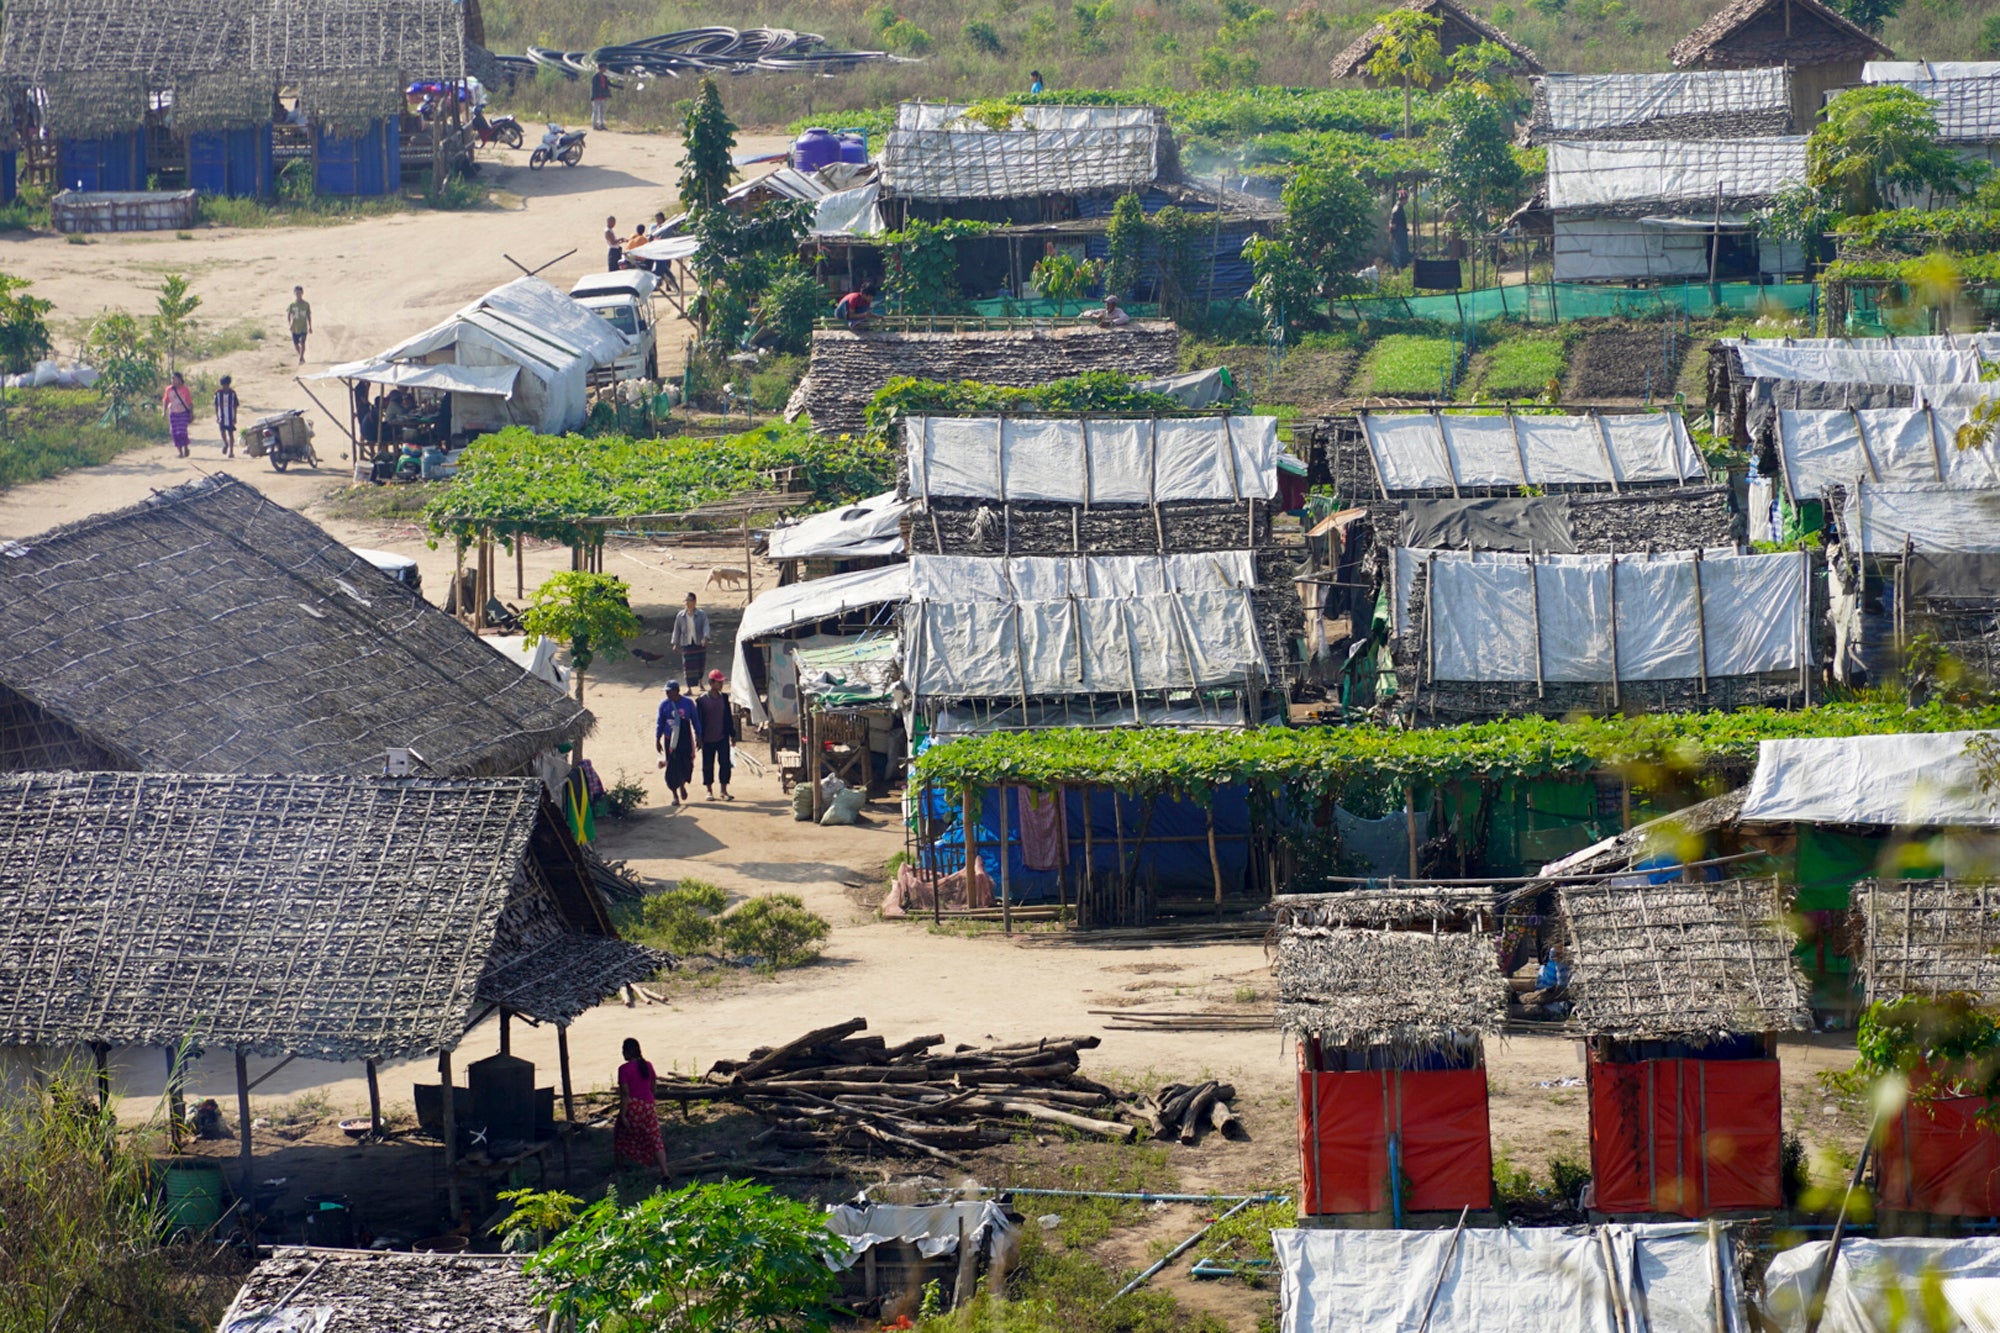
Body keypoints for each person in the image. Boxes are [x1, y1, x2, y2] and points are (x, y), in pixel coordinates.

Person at [614, 1038, 670, 1181]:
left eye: (623, 1051)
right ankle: (665, 1171)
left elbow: (625, 1094)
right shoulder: (648, 1065)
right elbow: (653, 1087)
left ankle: (620, 1169)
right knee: (655, 1138)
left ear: (627, 1052)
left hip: (633, 1106)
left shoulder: (623, 1069)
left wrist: (623, 1115)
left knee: (620, 1135)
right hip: (648, 1106)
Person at [696, 669, 740, 800]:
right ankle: (709, 791)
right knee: (707, 765)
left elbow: (728, 718)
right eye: (718, 682)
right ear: (711, 683)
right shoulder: (701, 701)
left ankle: (723, 791)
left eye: (722, 682)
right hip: (707, 739)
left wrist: (732, 734)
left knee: (725, 764)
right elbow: (698, 721)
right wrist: (698, 737)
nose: (721, 685)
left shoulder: (724, 698)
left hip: (722, 737)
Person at [656, 679, 697, 805]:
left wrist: (699, 736)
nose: (667, 694)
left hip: (684, 739)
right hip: (670, 740)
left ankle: (682, 784)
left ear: (677, 691)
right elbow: (660, 722)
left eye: (670, 691)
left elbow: (695, 720)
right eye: (666, 692)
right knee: (672, 767)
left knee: (686, 764)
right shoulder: (664, 705)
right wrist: (657, 739)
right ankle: (674, 795)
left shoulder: (688, 703)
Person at [672, 591, 710, 683]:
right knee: (687, 666)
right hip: (686, 643)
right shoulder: (680, 616)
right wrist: (675, 643)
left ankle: (700, 682)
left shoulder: (701, 614)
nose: (687, 603)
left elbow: (706, 626)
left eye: (689, 600)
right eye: (686, 601)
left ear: (695, 601)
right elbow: (677, 629)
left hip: (699, 642)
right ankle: (689, 687)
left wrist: (705, 637)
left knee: (700, 664)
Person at [162, 371, 194, 458]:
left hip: (183, 413)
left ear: (179, 380)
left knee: (182, 432)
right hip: (173, 413)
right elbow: (165, 400)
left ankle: (186, 447)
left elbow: (190, 403)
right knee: (175, 433)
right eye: (172, 378)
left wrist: (191, 414)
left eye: (174, 378)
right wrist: (163, 411)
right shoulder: (169, 389)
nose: (172, 380)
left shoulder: (185, 389)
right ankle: (180, 452)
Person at [212, 374, 239, 458]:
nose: (225, 387)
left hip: (230, 416)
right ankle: (226, 443)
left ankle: (231, 451)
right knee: (222, 431)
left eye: (226, 385)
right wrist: (217, 416)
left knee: (231, 433)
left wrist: (235, 417)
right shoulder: (218, 393)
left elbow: (235, 406)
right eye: (223, 385)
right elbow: (216, 405)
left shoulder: (233, 393)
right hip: (222, 416)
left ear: (229, 384)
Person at [287, 286, 313, 364]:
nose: (298, 294)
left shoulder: (306, 304)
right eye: (296, 293)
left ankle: (301, 358)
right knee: (296, 345)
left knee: (302, 342)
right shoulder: (292, 305)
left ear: (302, 293)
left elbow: (308, 315)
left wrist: (310, 326)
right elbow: (289, 315)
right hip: (295, 328)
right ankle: (301, 356)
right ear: (294, 293)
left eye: (299, 293)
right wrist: (290, 324)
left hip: (303, 327)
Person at [1388, 190, 1410, 271]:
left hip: (1401, 233)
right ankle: (1398, 269)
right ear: (1403, 199)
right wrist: (1392, 234)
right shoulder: (1397, 209)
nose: (1407, 201)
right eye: (1406, 199)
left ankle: (1401, 268)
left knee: (1401, 251)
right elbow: (1393, 224)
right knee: (1399, 251)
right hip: (1399, 234)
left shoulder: (1399, 208)